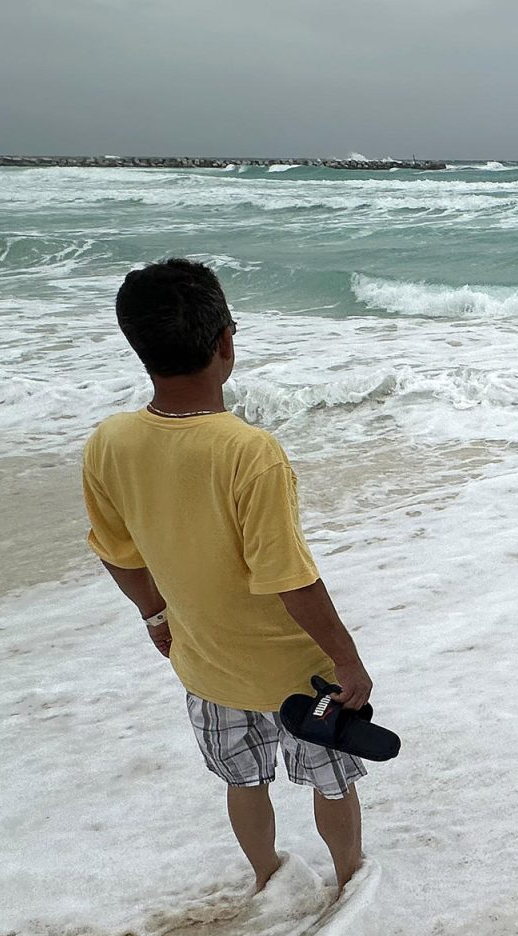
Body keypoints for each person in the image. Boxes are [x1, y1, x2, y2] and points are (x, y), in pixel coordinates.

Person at [82, 258, 373, 895]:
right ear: (224, 342)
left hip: (205, 663)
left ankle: (269, 877)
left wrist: (155, 615)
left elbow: (116, 552)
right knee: (332, 780)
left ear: (140, 347)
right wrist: (346, 658)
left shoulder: (110, 442)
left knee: (243, 781)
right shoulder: (249, 451)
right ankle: (349, 882)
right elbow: (288, 578)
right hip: (297, 675)